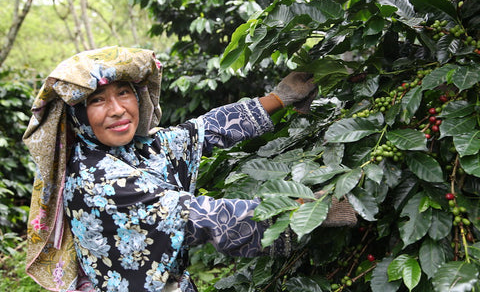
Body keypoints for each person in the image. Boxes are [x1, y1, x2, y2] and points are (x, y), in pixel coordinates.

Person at [23, 46, 347, 292]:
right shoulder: (93, 177)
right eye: (97, 101)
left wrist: (279, 97)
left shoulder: (135, 148)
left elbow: (203, 130)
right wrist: (316, 210)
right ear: (77, 115)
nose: (118, 109)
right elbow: (202, 218)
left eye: (124, 93)